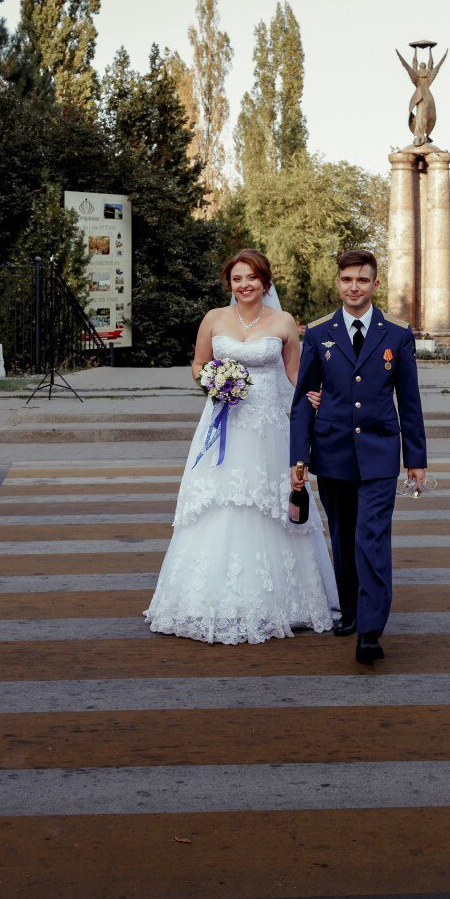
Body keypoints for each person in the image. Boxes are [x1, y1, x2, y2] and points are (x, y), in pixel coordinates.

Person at [145, 249, 338, 644]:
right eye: (237, 278)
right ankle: (204, 602)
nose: (245, 285)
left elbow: (295, 373)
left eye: (252, 277)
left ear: (265, 282)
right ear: (229, 283)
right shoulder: (214, 319)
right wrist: (213, 382)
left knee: (269, 503)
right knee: (219, 502)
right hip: (224, 424)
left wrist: (315, 396)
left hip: (268, 429)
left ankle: (285, 603)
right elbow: (198, 364)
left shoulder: (283, 322)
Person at [289, 250, 427, 666]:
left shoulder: (396, 334)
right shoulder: (319, 333)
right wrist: (298, 458)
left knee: (372, 538)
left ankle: (369, 630)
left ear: (375, 285)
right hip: (332, 451)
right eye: (347, 279)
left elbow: (409, 400)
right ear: (338, 283)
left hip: (380, 453)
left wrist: (415, 459)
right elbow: (303, 400)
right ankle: (349, 609)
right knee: (343, 537)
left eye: (362, 280)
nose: (354, 287)